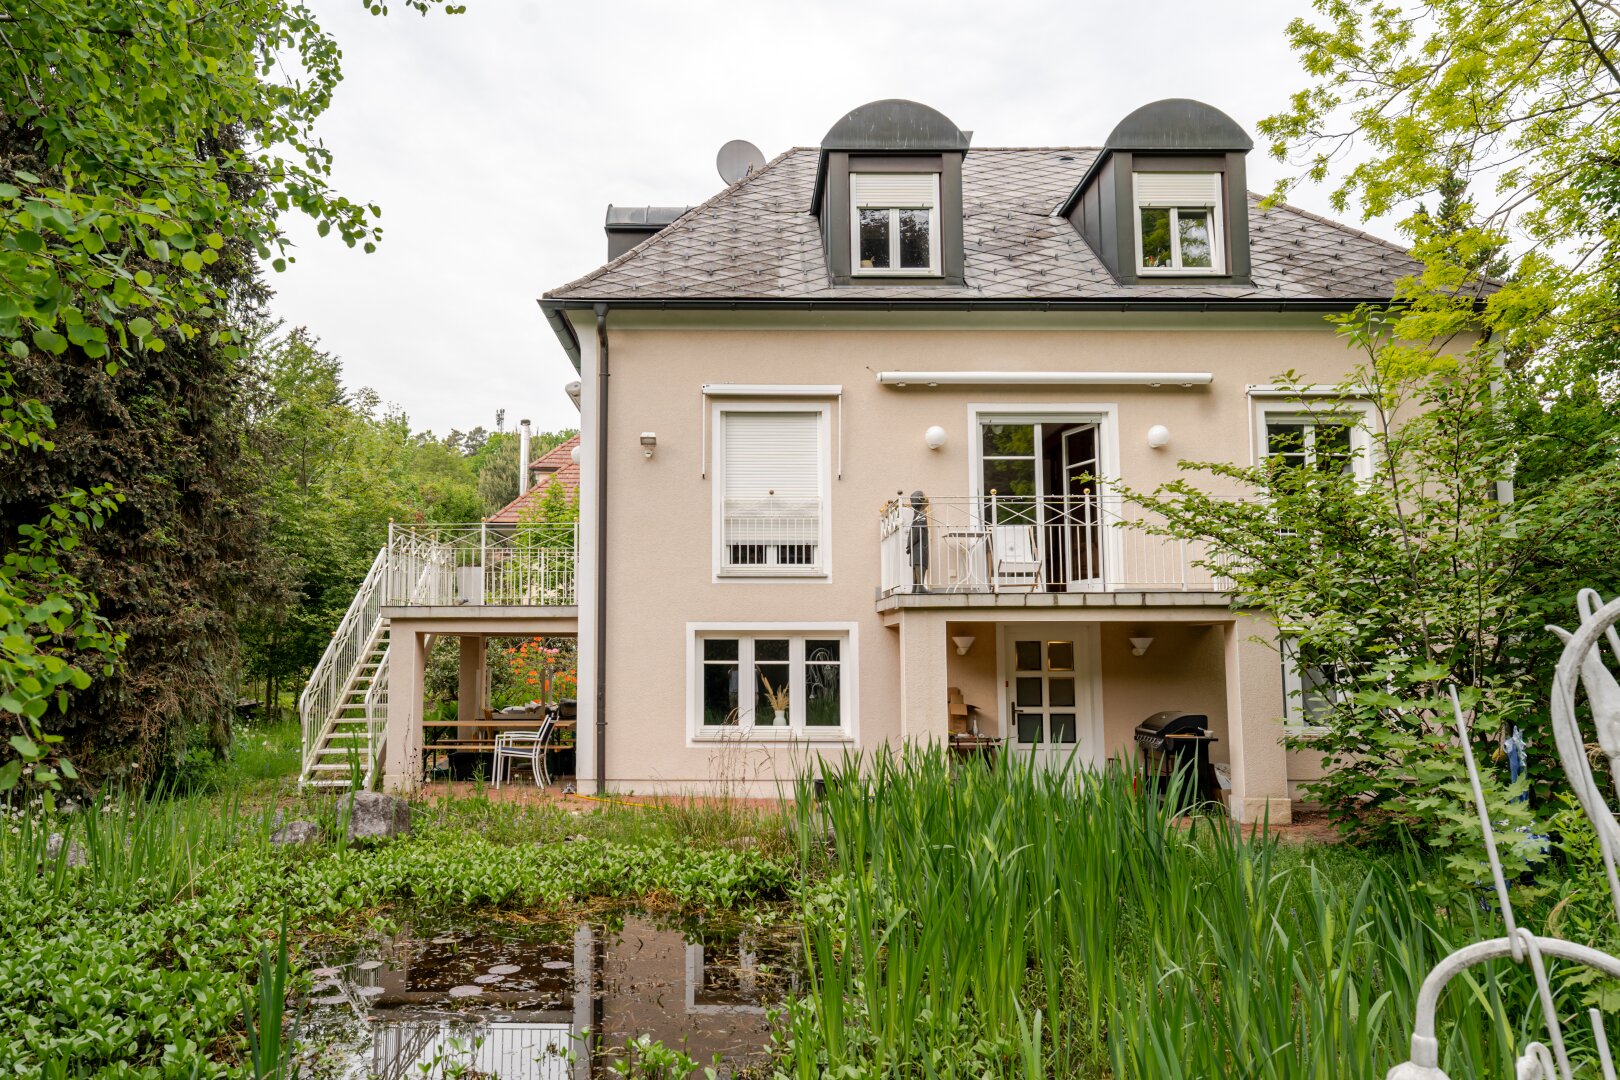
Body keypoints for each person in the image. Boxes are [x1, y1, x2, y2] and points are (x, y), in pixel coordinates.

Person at [905, 490, 930, 593]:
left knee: (917, 564)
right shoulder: (921, 515)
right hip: (919, 545)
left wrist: (909, 544)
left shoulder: (918, 514)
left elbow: (915, 531)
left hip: (916, 545)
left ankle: (916, 587)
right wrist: (910, 544)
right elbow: (918, 531)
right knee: (920, 564)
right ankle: (919, 587)